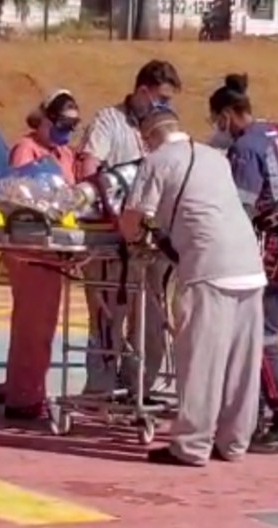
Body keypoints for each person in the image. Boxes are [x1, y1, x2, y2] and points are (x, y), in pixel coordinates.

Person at [118, 107, 267, 467]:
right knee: (240, 363)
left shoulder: (157, 161)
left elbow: (132, 221)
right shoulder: (216, 157)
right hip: (249, 264)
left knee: (202, 359)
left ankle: (192, 446)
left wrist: (135, 236)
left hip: (208, 267)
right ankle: (233, 443)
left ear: (146, 136)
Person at [207, 74, 278, 454]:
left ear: (227, 115)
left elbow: (240, 210)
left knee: (260, 332)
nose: (216, 129)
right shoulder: (273, 134)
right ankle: (257, 409)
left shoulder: (246, 148)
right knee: (261, 327)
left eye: (216, 121)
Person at [75, 60, 180, 401]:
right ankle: (101, 388)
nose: (163, 106)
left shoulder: (164, 126)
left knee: (150, 320)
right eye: (160, 98)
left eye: (168, 101)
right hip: (111, 238)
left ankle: (139, 387)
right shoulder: (110, 121)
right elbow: (89, 169)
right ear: (142, 91)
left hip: (149, 244)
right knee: (108, 317)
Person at [4, 90, 80, 420]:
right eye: (62, 123)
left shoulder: (64, 154)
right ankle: (22, 396)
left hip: (55, 247)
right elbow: (23, 195)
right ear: (47, 118)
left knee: (46, 325)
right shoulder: (27, 149)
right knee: (31, 326)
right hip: (30, 248)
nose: (66, 131)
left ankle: (35, 389)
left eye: (72, 126)